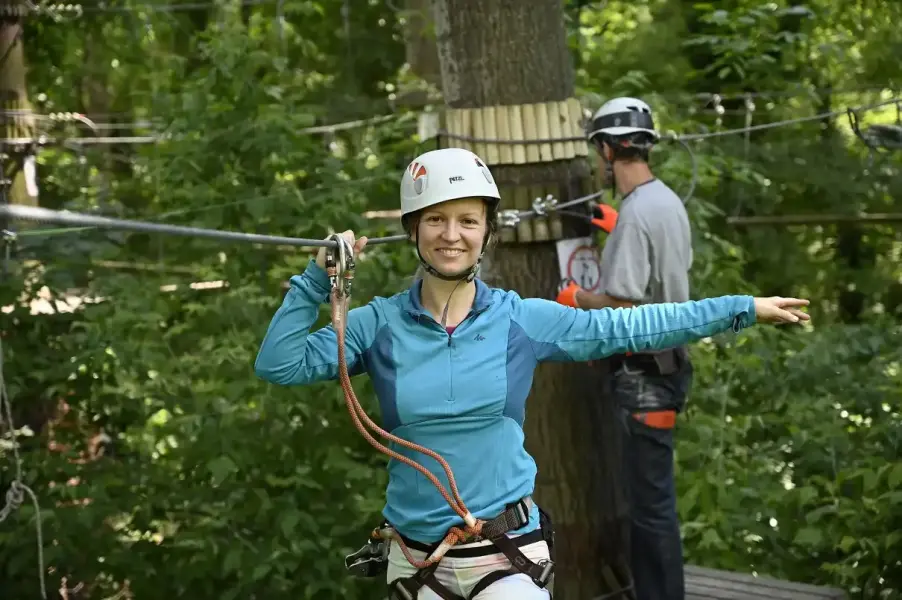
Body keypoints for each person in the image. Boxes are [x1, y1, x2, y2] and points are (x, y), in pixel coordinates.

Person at [253, 147, 809, 600]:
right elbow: (280, 364)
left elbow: (631, 326)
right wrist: (312, 283)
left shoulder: (520, 320)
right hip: (417, 560)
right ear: (414, 230)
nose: (452, 234)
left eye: (468, 221)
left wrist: (741, 307)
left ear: (487, 232)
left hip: (505, 554)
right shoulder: (378, 325)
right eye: (436, 220)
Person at [556, 96, 699, 600]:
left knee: (650, 509)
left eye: (599, 149)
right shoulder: (662, 203)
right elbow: (657, 263)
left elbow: (620, 299)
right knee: (651, 502)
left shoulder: (638, 215)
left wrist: (573, 299)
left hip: (645, 378)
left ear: (607, 150)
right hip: (666, 369)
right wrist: (618, 230)